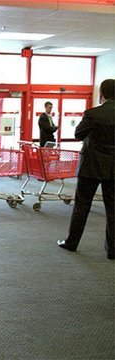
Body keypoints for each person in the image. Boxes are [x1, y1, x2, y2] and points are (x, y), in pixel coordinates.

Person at [57, 78, 114, 260]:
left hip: (91, 166)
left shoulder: (93, 114)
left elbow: (78, 134)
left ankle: (72, 243)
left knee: (82, 206)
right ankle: (113, 250)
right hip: (114, 169)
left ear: (102, 94)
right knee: (113, 208)